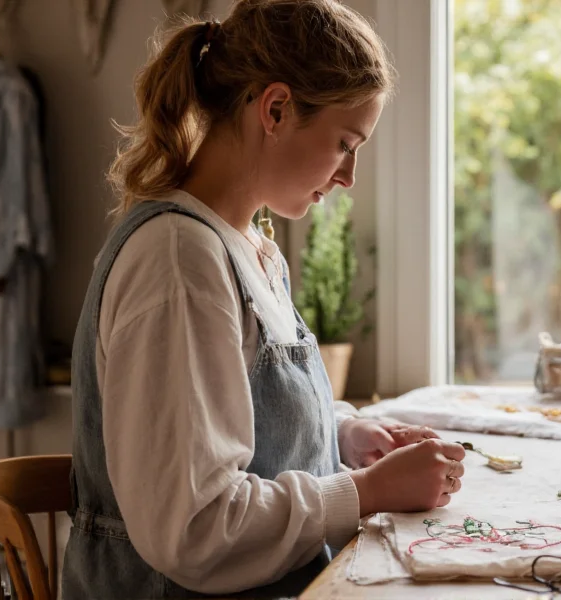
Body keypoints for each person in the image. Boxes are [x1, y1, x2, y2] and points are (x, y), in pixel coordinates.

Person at [61, 1, 466, 598]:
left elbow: (237, 422)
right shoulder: (177, 261)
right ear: (275, 109)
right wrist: (369, 492)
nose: (349, 175)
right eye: (345, 143)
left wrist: (344, 435)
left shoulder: (248, 246)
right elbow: (195, 529)